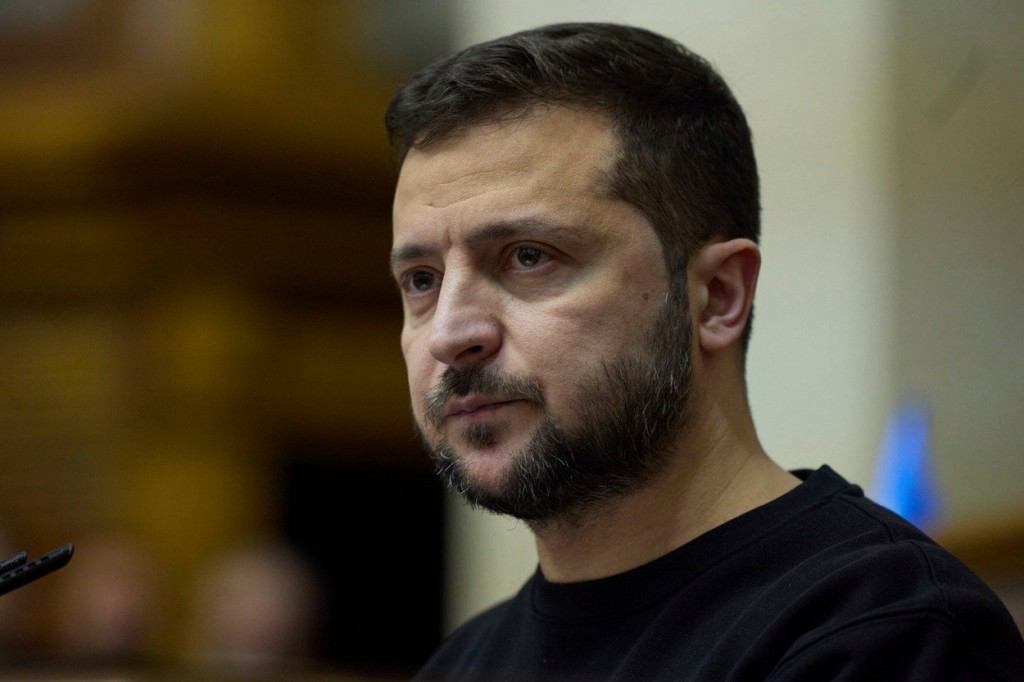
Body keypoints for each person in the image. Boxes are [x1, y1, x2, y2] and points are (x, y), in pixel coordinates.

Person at [385, 22, 1024, 681]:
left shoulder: (884, 630)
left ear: (717, 296)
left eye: (528, 257)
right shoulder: (458, 666)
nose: (449, 335)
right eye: (422, 280)